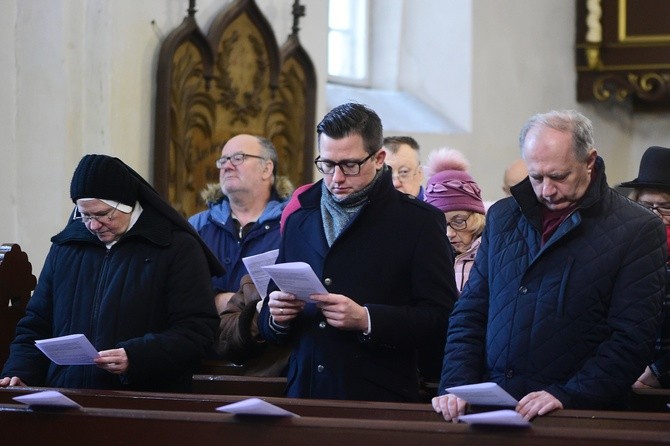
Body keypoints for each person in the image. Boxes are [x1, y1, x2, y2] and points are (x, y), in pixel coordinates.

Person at [432, 110, 667, 422]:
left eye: (559, 177)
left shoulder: (637, 228)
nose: (546, 190)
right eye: (536, 177)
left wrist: (569, 394)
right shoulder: (503, 217)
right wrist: (457, 386)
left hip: (577, 416)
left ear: (589, 161)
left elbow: (631, 338)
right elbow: (471, 313)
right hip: (490, 410)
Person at [258, 102, 458, 402]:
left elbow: (441, 319)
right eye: (326, 164)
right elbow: (273, 319)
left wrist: (367, 319)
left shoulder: (418, 222)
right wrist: (276, 316)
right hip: (305, 392)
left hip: (375, 397)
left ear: (379, 158)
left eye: (350, 165)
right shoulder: (300, 218)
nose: (336, 178)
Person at [1, 154, 223, 392]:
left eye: (103, 214)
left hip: (141, 401)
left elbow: (197, 330)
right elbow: (36, 322)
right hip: (66, 396)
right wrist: (20, 371)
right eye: (85, 215)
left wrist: (136, 357)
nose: (94, 225)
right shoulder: (66, 247)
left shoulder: (175, 247)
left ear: (127, 205)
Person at [189, 134, 293, 314]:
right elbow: (178, 289)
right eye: (223, 160)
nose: (227, 166)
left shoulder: (291, 225)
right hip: (205, 338)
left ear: (267, 169)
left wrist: (232, 303)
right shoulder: (197, 226)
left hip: (268, 337)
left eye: (238, 158)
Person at [620, 146, 670, 389]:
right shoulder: (624, 250)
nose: (655, 216)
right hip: (625, 375)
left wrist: (657, 372)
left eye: (665, 207)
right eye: (646, 206)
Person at [424, 147, 486, 293]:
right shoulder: (426, 256)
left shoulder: (492, 254)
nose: (449, 233)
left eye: (458, 221)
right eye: (440, 224)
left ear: (477, 217)